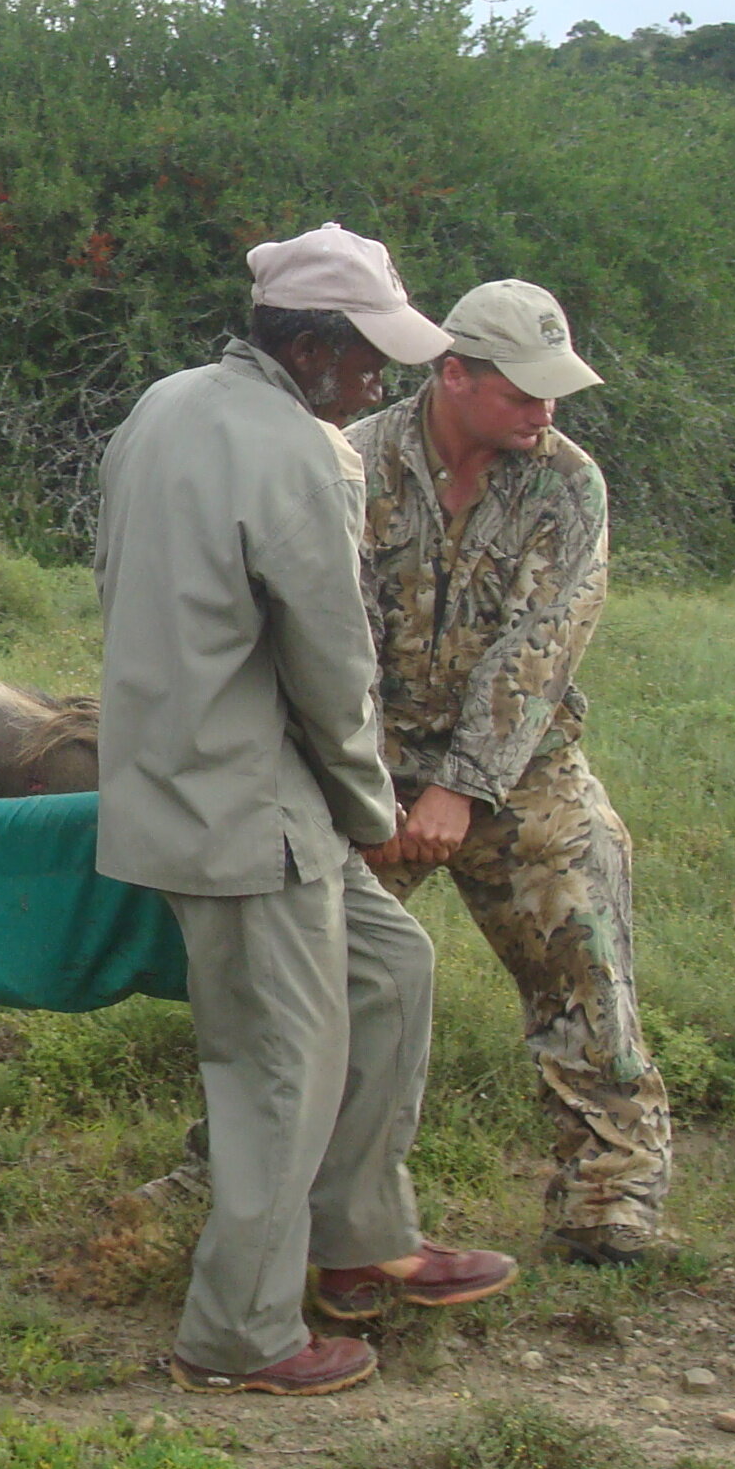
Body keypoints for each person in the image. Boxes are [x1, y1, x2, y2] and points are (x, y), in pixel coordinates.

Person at [93, 221, 513, 1396]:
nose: (382, 380)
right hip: (248, 812)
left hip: (178, 780)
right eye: (371, 355)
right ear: (316, 346)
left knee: (392, 971)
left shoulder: (162, 405)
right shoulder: (304, 452)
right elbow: (334, 666)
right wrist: (373, 808)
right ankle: (239, 1335)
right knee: (280, 1071)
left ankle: (359, 1238)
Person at [347, 281, 668, 1265]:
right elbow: (325, 638)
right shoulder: (348, 463)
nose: (545, 412)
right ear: (454, 375)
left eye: (555, 393)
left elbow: (539, 651)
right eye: (524, 393)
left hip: (521, 764)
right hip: (368, 759)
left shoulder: (571, 486)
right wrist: (366, 790)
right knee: (298, 962)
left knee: (584, 949)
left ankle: (609, 1194)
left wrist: (460, 787)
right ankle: (241, 1170)